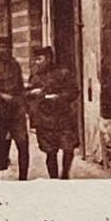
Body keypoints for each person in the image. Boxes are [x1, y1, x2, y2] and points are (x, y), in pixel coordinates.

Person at [26, 47, 80, 179]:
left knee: (68, 148)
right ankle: (54, 178)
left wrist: (59, 97)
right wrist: (33, 94)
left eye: (40, 59)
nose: (37, 62)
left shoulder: (63, 73)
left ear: (49, 59)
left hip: (63, 117)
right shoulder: (35, 76)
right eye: (36, 59)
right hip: (44, 119)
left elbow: (74, 92)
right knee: (50, 152)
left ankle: (65, 174)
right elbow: (26, 94)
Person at [0, 47, 30, 180]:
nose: (3, 50)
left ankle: (23, 178)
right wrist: (1, 95)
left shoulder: (15, 65)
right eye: (0, 48)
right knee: (0, 146)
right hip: (1, 112)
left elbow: (20, 86)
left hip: (17, 112)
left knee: (23, 144)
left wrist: (23, 104)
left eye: (5, 47)